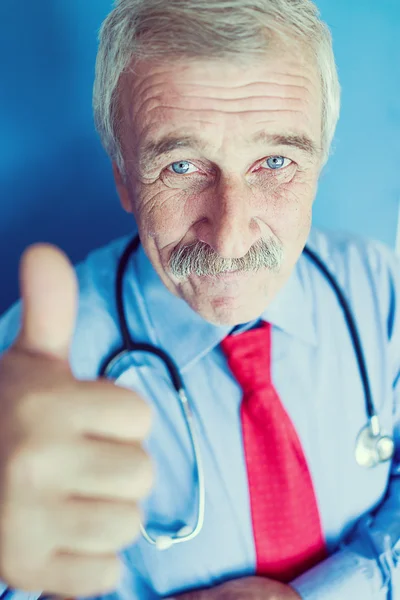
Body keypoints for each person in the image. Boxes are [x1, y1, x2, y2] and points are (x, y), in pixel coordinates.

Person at [0, 0, 399, 599]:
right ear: (123, 176)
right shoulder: (36, 374)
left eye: (275, 162)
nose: (231, 235)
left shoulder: (375, 285)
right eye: (181, 165)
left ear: (321, 161)